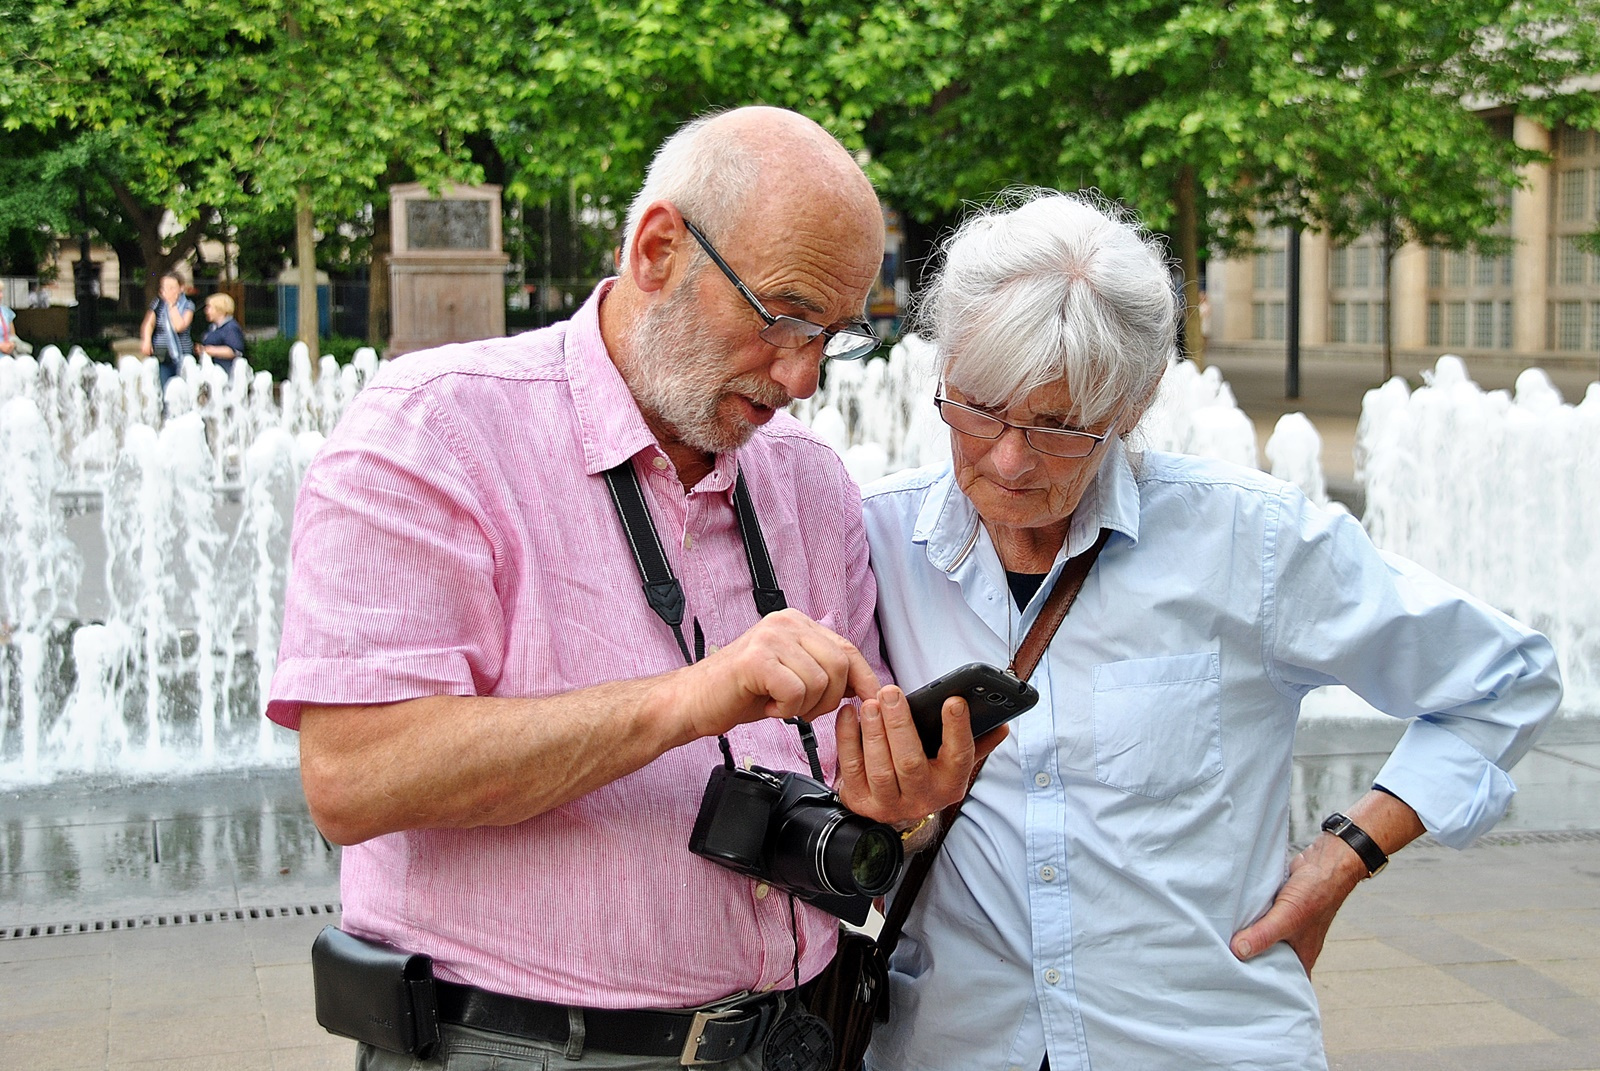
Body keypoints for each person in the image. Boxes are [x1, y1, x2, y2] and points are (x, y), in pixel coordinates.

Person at [266, 106, 989, 1071]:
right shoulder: (432, 432)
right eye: (782, 317)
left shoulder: (808, 480)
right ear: (658, 250)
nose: (803, 376)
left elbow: (852, 787)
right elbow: (353, 777)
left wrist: (902, 799)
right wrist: (691, 699)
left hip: (791, 1036)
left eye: (835, 335)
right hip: (516, 1045)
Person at [859, 190, 1562, 1071]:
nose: (1008, 458)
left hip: (1200, 1044)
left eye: (1059, 426)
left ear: (1134, 402)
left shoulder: (1251, 540)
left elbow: (1506, 682)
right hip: (951, 1045)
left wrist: (1346, 854)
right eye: (979, 408)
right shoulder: (874, 540)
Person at [140, 272, 195, 397]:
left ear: (181, 288)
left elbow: (179, 326)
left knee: (183, 390)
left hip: (182, 353)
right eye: (165, 287)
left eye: (172, 288)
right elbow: (148, 324)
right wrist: (146, 340)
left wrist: (172, 306)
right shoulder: (158, 304)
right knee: (165, 389)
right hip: (163, 354)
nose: (167, 291)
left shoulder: (188, 305)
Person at [194, 291, 245, 377]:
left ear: (219, 309)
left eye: (209, 307)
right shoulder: (212, 327)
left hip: (225, 372)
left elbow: (235, 351)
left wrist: (208, 350)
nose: (206, 310)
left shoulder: (231, 328)